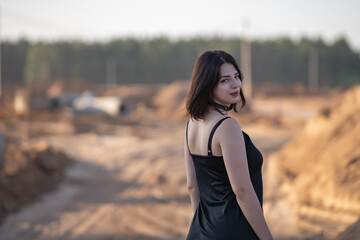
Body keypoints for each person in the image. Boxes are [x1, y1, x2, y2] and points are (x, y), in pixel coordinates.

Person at [184, 50, 273, 240]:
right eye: (224, 80)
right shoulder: (228, 126)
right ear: (207, 85)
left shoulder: (191, 123)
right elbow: (242, 191)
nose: (236, 85)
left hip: (199, 232)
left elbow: (192, 186)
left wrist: (202, 228)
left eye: (236, 76)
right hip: (233, 231)